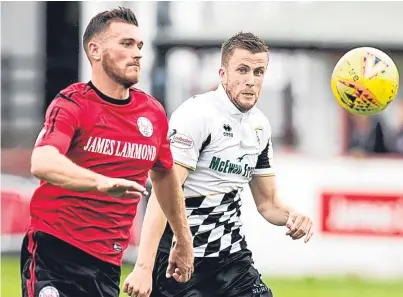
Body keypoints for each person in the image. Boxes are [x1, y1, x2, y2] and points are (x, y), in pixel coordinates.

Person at [123, 32, 314, 297]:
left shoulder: (260, 126)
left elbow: (267, 203)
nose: (251, 80)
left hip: (231, 260)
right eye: (242, 70)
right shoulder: (197, 115)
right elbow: (163, 192)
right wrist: (143, 267)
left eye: (259, 72)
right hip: (178, 261)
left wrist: (292, 216)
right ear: (222, 74)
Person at [20, 7, 193, 297]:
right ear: (95, 50)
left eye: (139, 45)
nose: (137, 53)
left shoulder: (152, 113)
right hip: (55, 252)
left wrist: (182, 236)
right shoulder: (73, 103)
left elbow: (164, 176)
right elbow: (42, 160)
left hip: (107, 263)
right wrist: (100, 181)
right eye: (126, 44)